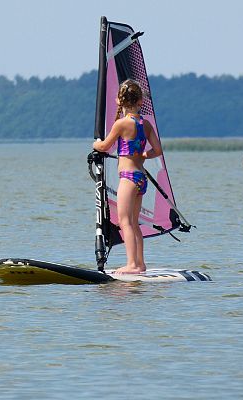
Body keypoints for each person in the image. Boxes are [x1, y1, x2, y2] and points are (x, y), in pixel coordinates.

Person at [93, 79, 162, 274]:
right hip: (140, 178)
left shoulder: (121, 124)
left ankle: (132, 264)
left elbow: (105, 146)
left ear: (120, 101)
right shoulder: (145, 124)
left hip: (128, 178)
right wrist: (143, 155)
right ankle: (140, 263)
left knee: (124, 222)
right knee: (134, 222)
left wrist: (95, 145)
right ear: (140, 101)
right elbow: (157, 150)